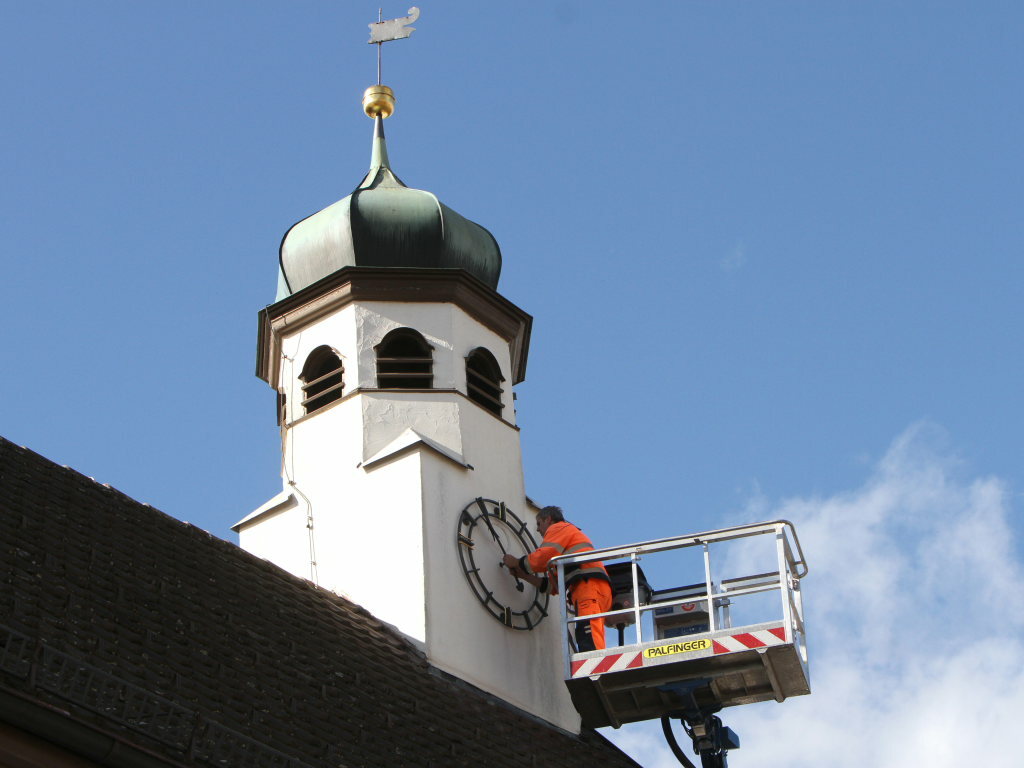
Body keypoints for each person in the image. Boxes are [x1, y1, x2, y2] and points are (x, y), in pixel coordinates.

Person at [502, 506, 612, 651]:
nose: (538, 529)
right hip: (594, 588)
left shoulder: (558, 528)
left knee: (588, 635)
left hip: (588, 588)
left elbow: (543, 557)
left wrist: (517, 562)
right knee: (588, 632)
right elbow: (553, 586)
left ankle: (595, 665)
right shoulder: (566, 545)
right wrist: (524, 575)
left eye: (539, 524)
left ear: (548, 519)